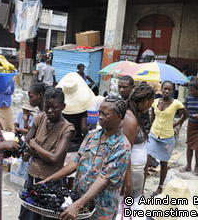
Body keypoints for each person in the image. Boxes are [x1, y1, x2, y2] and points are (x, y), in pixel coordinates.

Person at [39, 96, 131, 220]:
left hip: (100, 210)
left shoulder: (121, 147)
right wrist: (49, 180)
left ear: (118, 117)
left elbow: (104, 178)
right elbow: (76, 162)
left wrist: (78, 205)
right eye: (100, 113)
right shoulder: (92, 135)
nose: (100, 117)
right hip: (79, 202)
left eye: (105, 114)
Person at [19, 88, 75, 220]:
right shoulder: (40, 118)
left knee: (47, 215)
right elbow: (27, 142)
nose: (49, 111)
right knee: (28, 213)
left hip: (51, 181)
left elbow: (54, 159)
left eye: (54, 107)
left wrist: (34, 147)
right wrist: (45, 154)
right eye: (47, 107)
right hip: (32, 175)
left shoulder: (67, 129)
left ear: (63, 107)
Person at [147, 81, 189, 196]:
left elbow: (186, 115)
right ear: (161, 89)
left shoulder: (176, 103)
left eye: (169, 89)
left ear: (172, 91)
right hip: (154, 134)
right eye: (165, 89)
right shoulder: (155, 102)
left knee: (164, 162)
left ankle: (159, 187)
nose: (167, 91)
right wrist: (150, 129)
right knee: (146, 159)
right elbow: (153, 117)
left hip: (167, 137)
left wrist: (176, 125)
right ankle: (141, 185)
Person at [56, 72, 95, 189]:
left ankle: (62, 194)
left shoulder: (60, 109)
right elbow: (83, 128)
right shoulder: (81, 109)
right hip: (77, 145)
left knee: (62, 173)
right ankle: (69, 195)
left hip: (62, 145)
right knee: (72, 175)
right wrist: (89, 138)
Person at [120, 84, 155, 204]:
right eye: (151, 102)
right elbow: (126, 152)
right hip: (131, 174)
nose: (151, 106)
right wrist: (128, 182)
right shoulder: (130, 119)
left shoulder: (135, 115)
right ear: (145, 101)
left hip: (136, 172)